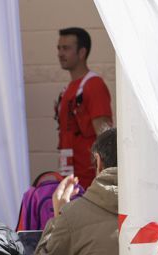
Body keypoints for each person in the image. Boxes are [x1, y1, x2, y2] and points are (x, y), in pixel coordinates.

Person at [56, 27, 113, 190]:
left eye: (66, 48)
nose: (60, 53)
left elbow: (104, 137)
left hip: (89, 181)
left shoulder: (93, 85)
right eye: (59, 48)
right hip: (70, 177)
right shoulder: (68, 89)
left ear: (82, 52)